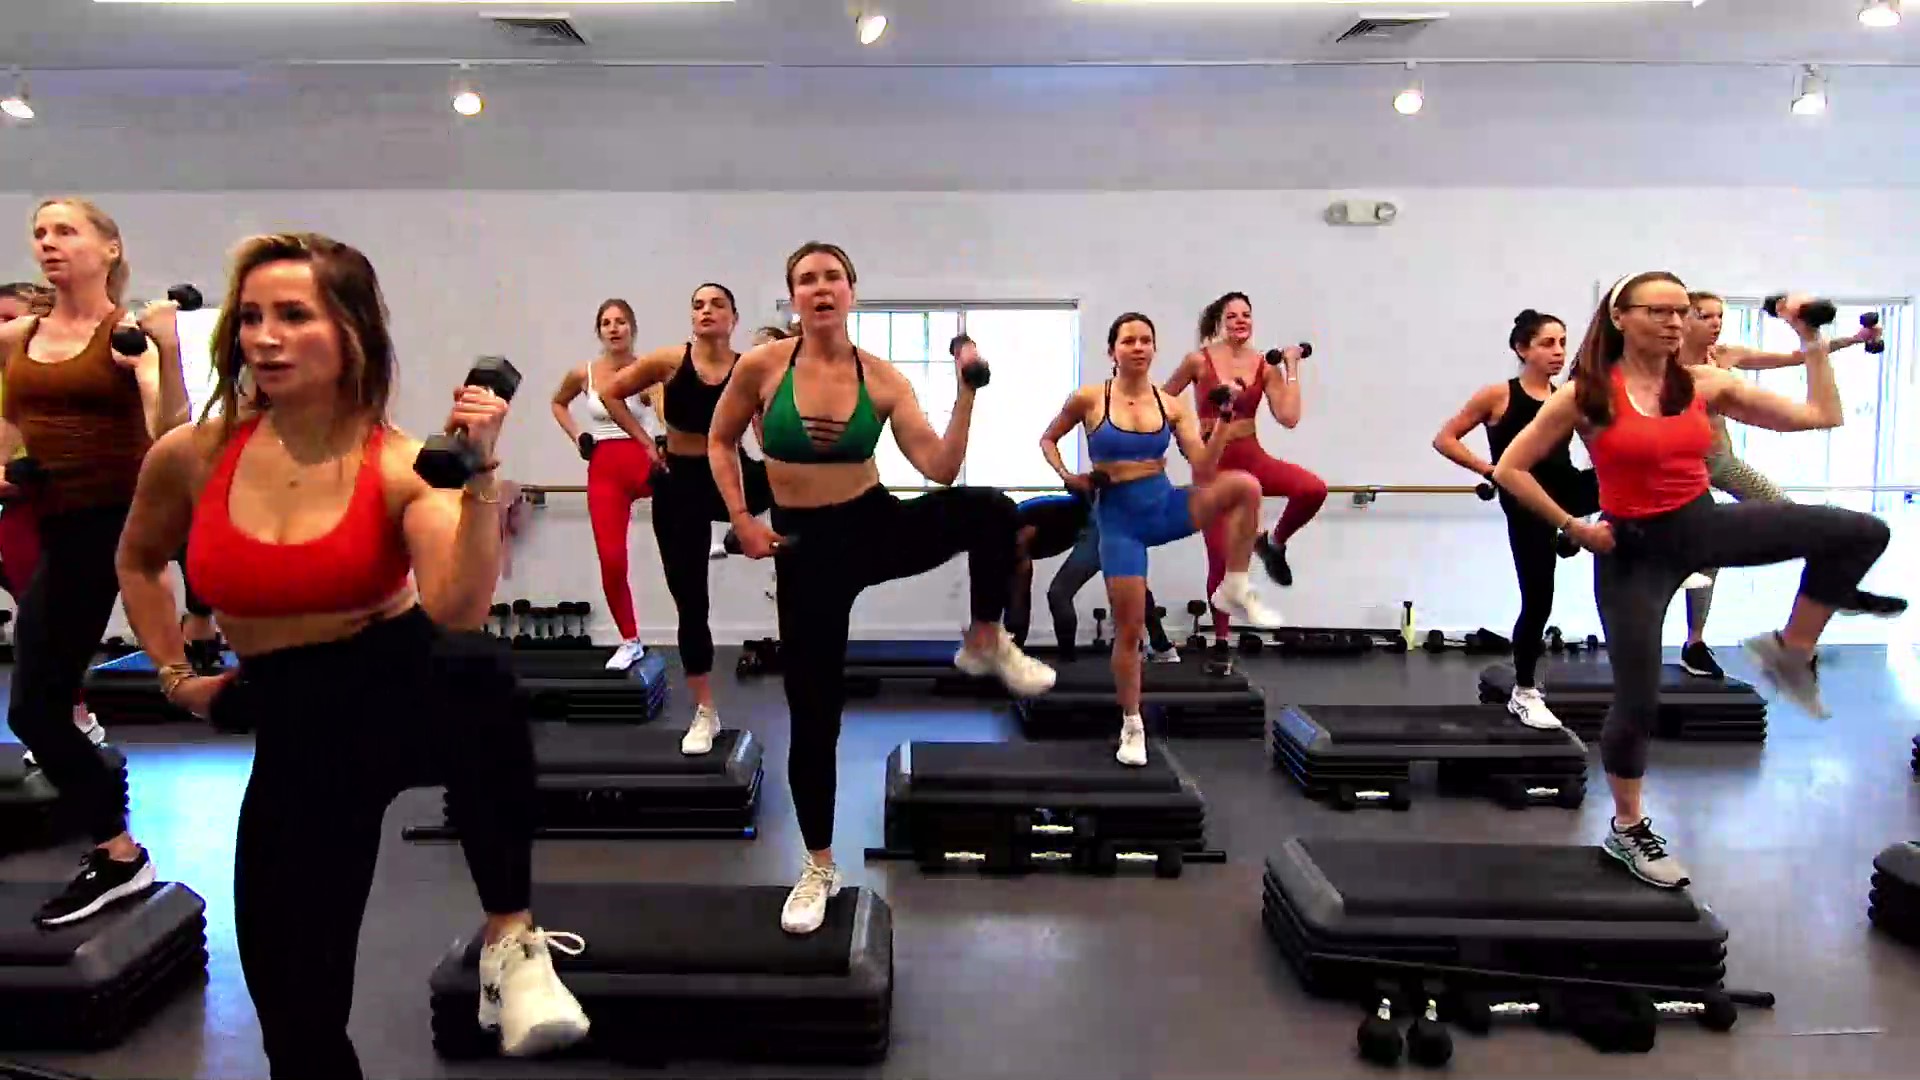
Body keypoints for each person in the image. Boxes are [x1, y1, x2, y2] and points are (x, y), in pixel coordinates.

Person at [114, 232, 589, 1077]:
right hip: (293, 722)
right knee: (296, 1013)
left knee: (478, 672)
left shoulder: (401, 463)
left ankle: (511, 942)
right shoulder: (192, 455)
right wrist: (177, 678)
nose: (266, 337)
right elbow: (140, 561)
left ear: (352, 332)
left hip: (394, 681)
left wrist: (479, 477)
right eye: (251, 317)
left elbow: (455, 609)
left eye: (295, 316)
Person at [1493, 271, 1896, 889]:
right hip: (1632, 551)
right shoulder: (1585, 394)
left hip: (1701, 525)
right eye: (1659, 311)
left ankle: (1792, 650)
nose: (1675, 321)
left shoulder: (1705, 382)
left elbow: (1822, 415)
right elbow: (1511, 468)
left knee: (1861, 532)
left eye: (1681, 310)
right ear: (1620, 317)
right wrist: (1575, 527)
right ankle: (1629, 828)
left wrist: (1810, 338)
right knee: (1639, 697)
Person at [710, 241, 1057, 935]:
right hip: (805, 549)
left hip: (873, 524)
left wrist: (965, 392)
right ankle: (818, 865)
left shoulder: (883, 377)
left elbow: (940, 467)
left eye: (832, 277)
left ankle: (985, 638)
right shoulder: (763, 366)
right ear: (794, 296)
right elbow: (721, 442)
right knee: (815, 713)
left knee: (991, 510)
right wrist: (743, 520)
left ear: (852, 291)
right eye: (806, 280)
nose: (821, 288)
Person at [0, 198, 192, 926]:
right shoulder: (18, 335)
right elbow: (11, 416)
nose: (48, 243)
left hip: (112, 524)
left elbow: (170, 431)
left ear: (110, 248)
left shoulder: (126, 334)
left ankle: (119, 853)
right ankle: (114, 841)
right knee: (42, 701)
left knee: (33, 707)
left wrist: (163, 357)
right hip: (50, 519)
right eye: (39, 233)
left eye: (66, 231)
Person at [1041, 312, 1279, 766]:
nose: (1138, 347)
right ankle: (1132, 725)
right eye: (1128, 340)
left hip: (1165, 506)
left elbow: (1203, 467)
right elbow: (1048, 439)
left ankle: (1234, 585)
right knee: (1130, 630)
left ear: (1154, 349)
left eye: (1145, 340)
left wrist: (1224, 420)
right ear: (1112, 351)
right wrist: (1068, 476)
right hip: (1120, 524)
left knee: (1246, 487)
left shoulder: (1171, 405)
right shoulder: (1089, 398)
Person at [1672, 290, 1896, 676]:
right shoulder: (1665, 366)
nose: (1715, 323)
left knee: (1792, 519)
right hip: (1683, 472)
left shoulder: (1723, 356)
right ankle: (1694, 642)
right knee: (1706, 559)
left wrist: (1854, 339)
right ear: (1683, 320)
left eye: (1719, 316)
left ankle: (1834, 590)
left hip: (1722, 462)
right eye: (1704, 315)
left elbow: (1796, 357)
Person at [594, 283, 775, 755]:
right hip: (680, 481)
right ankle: (705, 712)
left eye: (717, 304)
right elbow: (611, 393)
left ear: (733, 318)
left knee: (787, 485)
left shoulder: (747, 368)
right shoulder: (670, 361)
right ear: (691, 317)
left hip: (730, 474)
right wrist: (643, 444)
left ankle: (736, 536)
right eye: (698, 305)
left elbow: (763, 429)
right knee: (692, 603)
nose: (706, 311)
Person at [1432, 309, 1596, 730]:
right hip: (1525, 500)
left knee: (1633, 477)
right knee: (1539, 599)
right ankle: (1524, 692)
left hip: (1565, 489)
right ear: (1522, 349)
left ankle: (1576, 534)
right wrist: (1490, 471)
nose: (1558, 351)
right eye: (1547, 343)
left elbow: (1599, 447)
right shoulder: (1498, 395)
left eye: (1562, 343)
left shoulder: (1566, 397)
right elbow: (1445, 439)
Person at [1163, 292, 1327, 661]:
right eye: (1233, 315)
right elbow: (1160, 404)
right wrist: (1187, 439)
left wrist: (1291, 367)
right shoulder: (1198, 361)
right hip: (1214, 468)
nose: (1241, 321)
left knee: (1312, 489)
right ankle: (1222, 643)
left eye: (1246, 315)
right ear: (1220, 322)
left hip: (1252, 457)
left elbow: (1289, 417)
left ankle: (1274, 544)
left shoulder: (1263, 366)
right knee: (1219, 556)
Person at [549, 298, 665, 671]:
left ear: (632, 328)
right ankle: (630, 640)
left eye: (621, 321)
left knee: (684, 517)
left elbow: (665, 413)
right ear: (599, 331)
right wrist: (577, 436)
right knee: (612, 560)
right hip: (605, 468)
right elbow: (558, 403)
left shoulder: (649, 370)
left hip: (644, 461)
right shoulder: (584, 373)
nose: (614, 328)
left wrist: (658, 413)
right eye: (606, 323)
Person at [1006, 491, 1178, 661]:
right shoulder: (1014, 530)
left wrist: (1014, 649)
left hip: (1096, 527)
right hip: (1102, 522)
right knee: (1130, 586)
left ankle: (1066, 660)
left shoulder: (1015, 532)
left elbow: (1019, 592)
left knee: (1059, 593)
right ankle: (1162, 647)